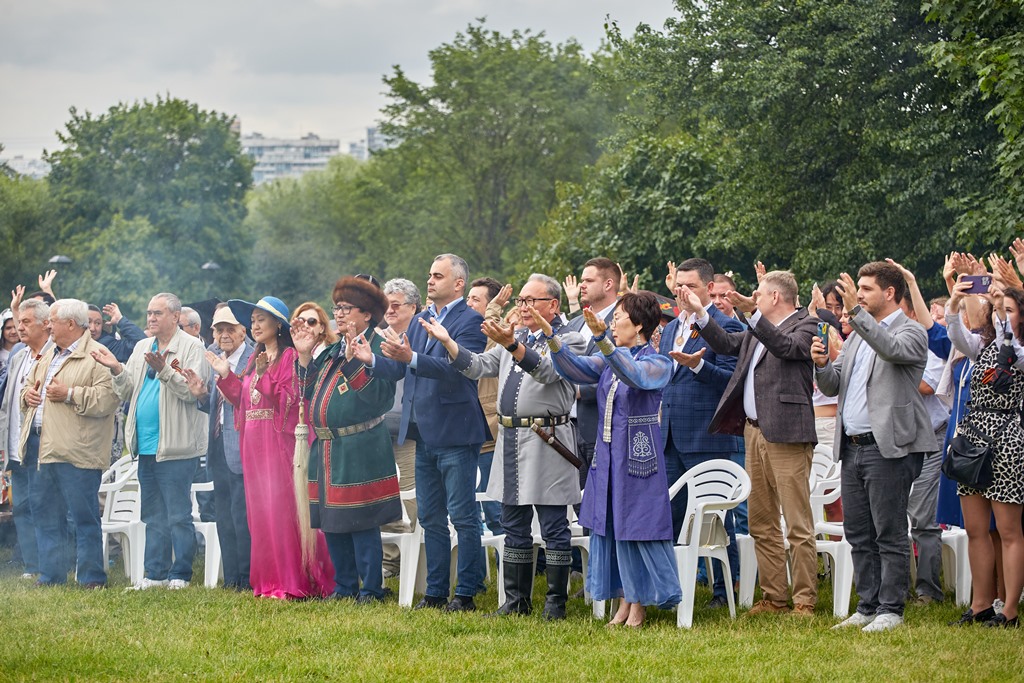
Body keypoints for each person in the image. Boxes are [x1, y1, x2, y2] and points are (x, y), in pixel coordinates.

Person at [425, 274, 586, 619]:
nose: (524, 307)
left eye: (532, 301)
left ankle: (555, 603)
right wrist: (449, 343)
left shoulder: (569, 339)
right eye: (521, 301)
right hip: (511, 440)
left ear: (553, 305)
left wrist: (512, 345)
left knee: (554, 525)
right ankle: (516, 602)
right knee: (513, 522)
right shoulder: (519, 336)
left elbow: (547, 372)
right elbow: (479, 366)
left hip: (549, 440)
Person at [681, 269, 819, 617]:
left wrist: (752, 314)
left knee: (798, 523)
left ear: (775, 296)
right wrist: (701, 312)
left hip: (788, 433)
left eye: (758, 293)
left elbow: (787, 348)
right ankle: (775, 598)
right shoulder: (757, 330)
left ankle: (804, 600)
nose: (752, 297)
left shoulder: (805, 324)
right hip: (753, 432)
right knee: (761, 521)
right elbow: (727, 344)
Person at [813, 263, 937, 632]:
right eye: (859, 289)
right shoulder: (854, 338)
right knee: (859, 532)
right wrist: (821, 366)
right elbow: (836, 386)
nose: (859, 295)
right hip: (851, 447)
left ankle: (891, 609)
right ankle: (867, 606)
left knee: (889, 531)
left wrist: (854, 313)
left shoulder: (912, 331)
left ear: (890, 293)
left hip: (889, 447)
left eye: (866, 289)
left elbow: (891, 349)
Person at [546, 291, 681, 627]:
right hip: (608, 458)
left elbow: (633, 375)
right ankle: (624, 601)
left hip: (639, 462)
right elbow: (575, 369)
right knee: (612, 527)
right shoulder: (612, 356)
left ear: (638, 325)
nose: (611, 322)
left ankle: (639, 606)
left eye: (618, 317)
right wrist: (551, 336)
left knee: (637, 528)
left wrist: (603, 340)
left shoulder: (658, 362)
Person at [376, 253, 490, 612]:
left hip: (456, 431)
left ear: (459, 283)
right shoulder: (422, 317)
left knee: (463, 515)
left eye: (437, 276)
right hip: (421, 430)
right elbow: (400, 369)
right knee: (430, 517)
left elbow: (458, 368)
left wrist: (409, 357)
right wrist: (368, 358)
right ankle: (437, 591)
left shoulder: (471, 320)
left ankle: (467, 592)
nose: (429, 281)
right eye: (429, 275)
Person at [208, 295, 335, 599]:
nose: (255, 325)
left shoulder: (289, 357)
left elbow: (290, 399)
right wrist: (226, 377)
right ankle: (267, 582)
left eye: (260, 320)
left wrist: (265, 378)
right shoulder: (255, 359)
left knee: (280, 511)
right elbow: (243, 400)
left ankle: (293, 581)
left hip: (277, 443)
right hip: (251, 444)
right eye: (252, 321)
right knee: (259, 514)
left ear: (278, 324)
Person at [92, 292, 210, 591]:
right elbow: (127, 389)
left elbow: (190, 393)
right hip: (144, 446)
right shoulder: (144, 346)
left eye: (158, 313)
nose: (151, 318)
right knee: (151, 514)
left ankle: (180, 574)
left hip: (176, 445)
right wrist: (116, 368)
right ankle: (154, 574)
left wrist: (165, 370)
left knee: (177, 514)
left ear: (174, 316)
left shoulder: (192, 346)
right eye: (149, 313)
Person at [294, 277, 402, 602]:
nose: (338, 314)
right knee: (332, 521)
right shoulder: (330, 350)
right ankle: (344, 587)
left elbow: (379, 399)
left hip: (361, 445)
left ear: (367, 314)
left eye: (346, 308)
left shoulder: (380, 347)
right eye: (336, 308)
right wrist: (303, 357)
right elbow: (306, 392)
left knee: (360, 519)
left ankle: (371, 589)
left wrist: (358, 359)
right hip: (326, 446)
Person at [660, 258, 743, 609]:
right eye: (679, 286)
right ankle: (677, 589)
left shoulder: (724, 326)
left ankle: (726, 591)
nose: (683, 293)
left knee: (715, 521)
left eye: (690, 286)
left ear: (709, 288)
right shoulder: (669, 328)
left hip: (707, 435)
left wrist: (698, 367)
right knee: (673, 515)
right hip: (670, 436)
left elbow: (730, 381)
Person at [21, 299, 120, 588]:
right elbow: (28, 384)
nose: (47, 325)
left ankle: (91, 578)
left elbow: (109, 399)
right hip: (43, 447)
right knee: (45, 515)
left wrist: (70, 394)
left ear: (71, 324)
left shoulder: (98, 354)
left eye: (52, 320)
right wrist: (27, 395)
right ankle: (51, 575)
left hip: (78, 452)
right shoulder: (49, 352)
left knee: (83, 518)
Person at [944, 277, 1024, 628]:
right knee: (975, 529)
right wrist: (953, 306)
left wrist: (1004, 319)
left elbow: (1011, 350)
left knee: (1008, 531)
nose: (1000, 315)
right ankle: (980, 605)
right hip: (973, 437)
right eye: (997, 310)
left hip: (1007, 438)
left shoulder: (1018, 349)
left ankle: (1010, 610)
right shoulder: (983, 345)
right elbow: (957, 337)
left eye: (1008, 310)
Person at [182, 304, 254, 591]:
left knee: (242, 516)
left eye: (230, 330)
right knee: (223, 516)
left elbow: (249, 402)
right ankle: (232, 577)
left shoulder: (252, 359)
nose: (224, 335)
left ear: (242, 332)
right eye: (219, 330)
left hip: (243, 448)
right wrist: (202, 396)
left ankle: (247, 578)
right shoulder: (216, 359)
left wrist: (227, 377)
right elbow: (218, 406)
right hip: (218, 448)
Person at [0, 299, 53, 579]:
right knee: (20, 506)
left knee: (41, 506)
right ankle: (32, 566)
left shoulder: (54, 356)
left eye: (25, 322)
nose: (19, 328)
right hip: (15, 445)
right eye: (17, 322)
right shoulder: (18, 356)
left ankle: (50, 565)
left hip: (39, 444)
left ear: (45, 325)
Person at [379, 278, 422, 579]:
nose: (390, 311)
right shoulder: (378, 338)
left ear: (414, 307)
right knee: (384, 494)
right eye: (386, 306)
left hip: (412, 429)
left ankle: (418, 557)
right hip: (379, 428)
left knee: (411, 494)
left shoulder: (422, 337)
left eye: (396, 305)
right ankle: (390, 560)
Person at [563, 258, 621, 479]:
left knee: (603, 502)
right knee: (577, 505)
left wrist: (579, 391)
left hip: (602, 427)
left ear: (608, 284)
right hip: (568, 428)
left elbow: (622, 374)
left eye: (588, 280)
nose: (581, 286)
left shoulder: (622, 320)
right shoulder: (576, 323)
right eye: (581, 280)